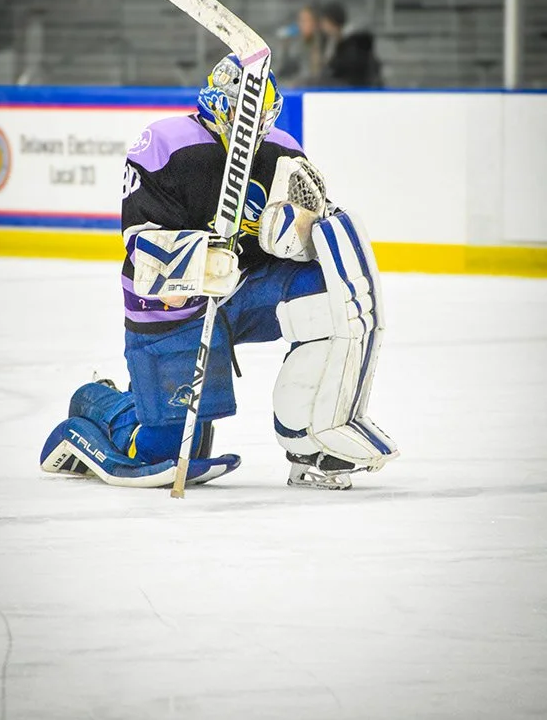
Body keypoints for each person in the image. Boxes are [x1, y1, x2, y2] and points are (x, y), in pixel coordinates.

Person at [40, 53, 398, 490]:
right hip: (174, 305)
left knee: (327, 296)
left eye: (263, 117)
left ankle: (310, 445)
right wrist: (201, 261)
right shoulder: (165, 142)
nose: (255, 127)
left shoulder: (283, 152)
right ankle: (99, 402)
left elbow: (303, 243)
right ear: (216, 100)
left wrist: (299, 231)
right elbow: (142, 248)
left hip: (251, 291)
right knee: (166, 451)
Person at [319, 3, 382, 88]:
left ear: (332, 22)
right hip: (342, 84)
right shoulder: (330, 42)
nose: (322, 25)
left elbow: (347, 68)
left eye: (325, 22)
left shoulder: (354, 42)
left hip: (354, 85)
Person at [276, 5, 325, 86]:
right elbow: (283, 70)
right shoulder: (294, 44)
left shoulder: (323, 43)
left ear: (315, 23)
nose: (302, 24)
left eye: (306, 20)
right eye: (301, 20)